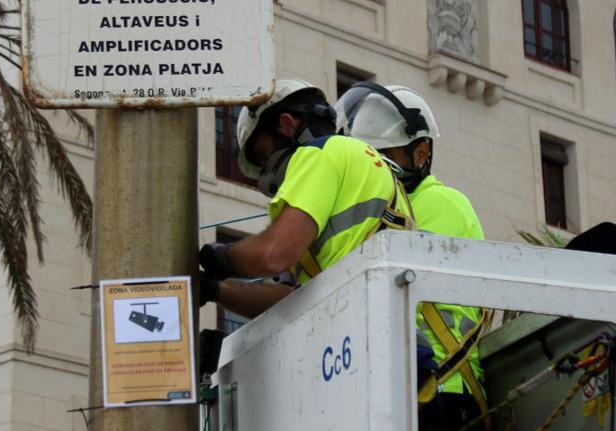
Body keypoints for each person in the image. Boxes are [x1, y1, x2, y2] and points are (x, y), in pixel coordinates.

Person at [334, 82, 489, 431]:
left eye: (382, 157)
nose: (374, 169)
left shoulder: (439, 203)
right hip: (410, 383)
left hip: (442, 388)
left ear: (421, 154)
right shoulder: (390, 206)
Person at [198, 79, 414, 318]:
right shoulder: (364, 167)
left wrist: (225, 257)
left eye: (263, 154)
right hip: (379, 322)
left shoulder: (318, 153)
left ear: (286, 124)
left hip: (370, 323)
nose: (266, 171)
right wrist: (217, 290)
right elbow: (290, 299)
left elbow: (273, 253)